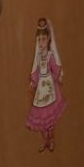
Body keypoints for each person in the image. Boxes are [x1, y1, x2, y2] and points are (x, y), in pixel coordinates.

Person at [26, 16, 66, 153]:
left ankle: (51, 139)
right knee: (41, 117)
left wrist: (52, 80)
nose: (41, 42)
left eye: (43, 39)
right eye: (39, 40)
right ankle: (45, 140)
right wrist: (33, 81)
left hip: (49, 89)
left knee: (50, 119)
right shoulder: (38, 57)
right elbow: (37, 71)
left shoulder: (50, 56)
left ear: (48, 39)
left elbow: (56, 69)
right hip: (41, 91)